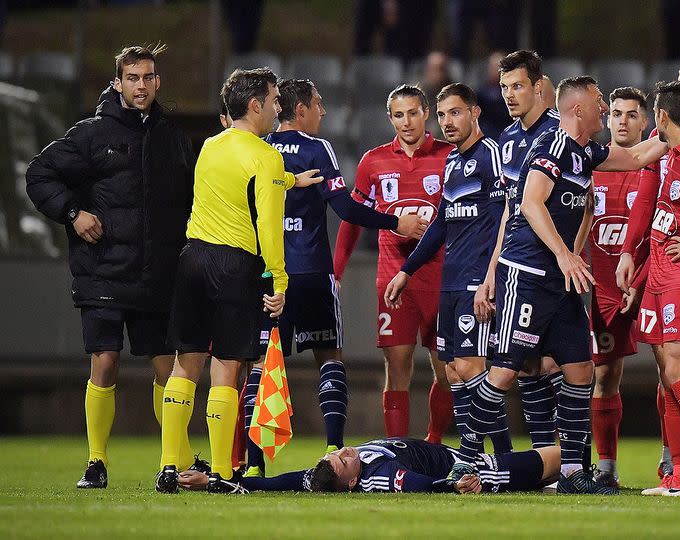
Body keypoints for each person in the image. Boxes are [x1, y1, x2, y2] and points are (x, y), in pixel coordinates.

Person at [461, 76, 672, 495]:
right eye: (599, 102)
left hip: (562, 281)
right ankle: (464, 458)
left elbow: (635, 158)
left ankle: (574, 472)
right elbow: (531, 202)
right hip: (529, 274)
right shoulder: (554, 147)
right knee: (503, 372)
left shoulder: (585, 151)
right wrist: (564, 253)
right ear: (579, 109)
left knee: (581, 371)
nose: (605, 111)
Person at [25, 44, 197, 489]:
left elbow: (192, 199)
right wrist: (72, 213)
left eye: (148, 77)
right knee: (105, 361)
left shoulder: (174, 138)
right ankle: (96, 461)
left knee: (168, 367)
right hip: (102, 271)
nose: (142, 86)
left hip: (157, 273)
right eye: (133, 78)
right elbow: (38, 174)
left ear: (158, 82)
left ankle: (174, 462)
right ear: (118, 83)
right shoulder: (90, 134)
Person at [239, 79, 428, 478]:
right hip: (311, 271)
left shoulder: (259, 149)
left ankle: (253, 466)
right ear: (301, 109)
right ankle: (333, 447)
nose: (323, 111)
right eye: (318, 104)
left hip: (269, 274)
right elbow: (345, 208)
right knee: (329, 358)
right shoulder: (316, 148)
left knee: (261, 364)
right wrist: (396, 221)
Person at [155, 67, 325, 494]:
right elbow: (270, 228)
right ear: (255, 106)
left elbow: (241, 179)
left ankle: (168, 467)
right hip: (233, 266)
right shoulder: (266, 155)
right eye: (273, 101)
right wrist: (280, 281)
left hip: (192, 257)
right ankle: (221, 473)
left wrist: (289, 180)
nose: (277, 108)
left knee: (184, 364)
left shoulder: (210, 146)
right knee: (227, 367)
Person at [384, 83, 512, 452]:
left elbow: (510, 214)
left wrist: (492, 276)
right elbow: (441, 222)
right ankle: (476, 456)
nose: (447, 122)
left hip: (477, 279)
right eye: (441, 115)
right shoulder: (453, 161)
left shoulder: (493, 155)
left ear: (474, 113)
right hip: (450, 280)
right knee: (454, 371)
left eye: (455, 112)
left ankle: (501, 456)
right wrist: (407, 270)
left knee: (472, 367)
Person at [614, 56, 680, 481]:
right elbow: (650, 207)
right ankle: (678, 469)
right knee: (668, 371)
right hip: (658, 270)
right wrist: (636, 265)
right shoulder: (667, 154)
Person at [334, 85, 455, 442]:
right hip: (392, 279)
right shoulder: (374, 161)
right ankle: (397, 449)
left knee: (446, 371)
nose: (406, 122)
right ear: (389, 118)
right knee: (397, 367)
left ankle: (433, 443)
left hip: (441, 278)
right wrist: (336, 272)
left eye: (413, 113)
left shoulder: (449, 158)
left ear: (426, 113)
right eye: (399, 115)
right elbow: (352, 218)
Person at [475, 50, 563, 452]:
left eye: (518, 86)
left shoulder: (560, 134)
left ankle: (574, 464)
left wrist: (571, 254)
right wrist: (493, 270)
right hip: (520, 267)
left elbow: (586, 202)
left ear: (538, 86)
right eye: (504, 87)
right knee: (525, 364)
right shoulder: (506, 141)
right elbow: (510, 211)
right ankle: (548, 457)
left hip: (559, 269)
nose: (509, 95)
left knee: (568, 364)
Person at [586, 86, 648, 488]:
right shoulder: (589, 166)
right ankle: (605, 468)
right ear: (607, 120)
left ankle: (676, 465)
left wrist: (641, 282)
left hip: (650, 283)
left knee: (679, 369)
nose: (623, 121)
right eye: (617, 114)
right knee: (604, 375)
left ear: (646, 122)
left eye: (631, 115)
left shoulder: (656, 167)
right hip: (600, 287)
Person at [176, 438, 561, 494]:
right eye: (343, 459)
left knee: (553, 464)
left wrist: (212, 481)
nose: (344, 451)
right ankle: (578, 477)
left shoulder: (321, 476)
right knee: (558, 460)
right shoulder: (377, 476)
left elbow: (276, 483)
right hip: (469, 464)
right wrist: (454, 486)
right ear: (351, 482)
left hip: (445, 452)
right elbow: (417, 485)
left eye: (336, 452)